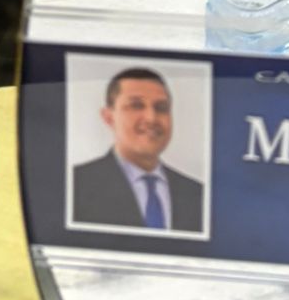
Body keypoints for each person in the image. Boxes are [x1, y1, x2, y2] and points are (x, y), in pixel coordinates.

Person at [71, 67, 204, 232]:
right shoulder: (75, 185)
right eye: (136, 105)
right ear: (109, 117)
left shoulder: (198, 194)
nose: (151, 118)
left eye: (161, 107)